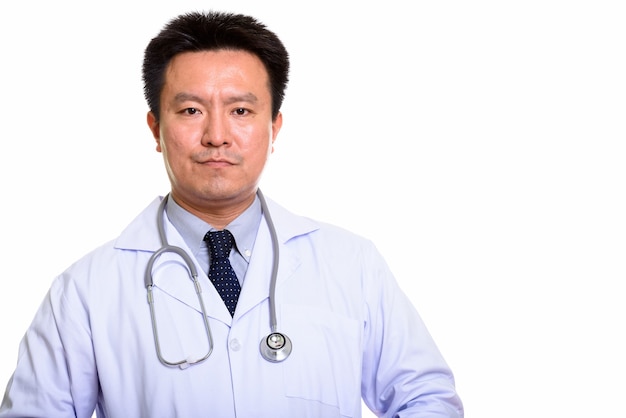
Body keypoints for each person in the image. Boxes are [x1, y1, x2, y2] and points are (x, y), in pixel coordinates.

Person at [0, 10, 463, 418]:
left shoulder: (351, 264)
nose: (216, 135)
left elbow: (427, 399)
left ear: (273, 126)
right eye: (191, 110)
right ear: (156, 128)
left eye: (240, 109)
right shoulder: (84, 290)